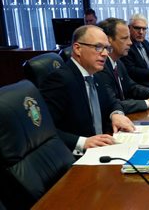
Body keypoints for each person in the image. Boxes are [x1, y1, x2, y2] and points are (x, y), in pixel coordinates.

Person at [40, 25, 135, 154]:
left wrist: (116, 114)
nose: (105, 53)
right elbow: (44, 130)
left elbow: (111, 101)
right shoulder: (60, 80)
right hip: (78, 157)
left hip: (104, 147)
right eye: (98, 47)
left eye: (107, 48)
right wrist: (82, 142)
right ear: (78, 48)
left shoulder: (95, 74)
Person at [95, 18, 149, 114]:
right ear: (108, 40)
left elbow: (132, 87)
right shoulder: (100, 67)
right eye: (124, 38)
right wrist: (148, 103)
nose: (130, 42)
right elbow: (112, 105)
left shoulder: (118, 62)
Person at [121, 13, 149, 88]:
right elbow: (132, 71)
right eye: (137, 28)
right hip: (140, 86)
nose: (141, 32)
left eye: (144, 29)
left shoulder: (145, 43)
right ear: (129, 28)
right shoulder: (126, 46)